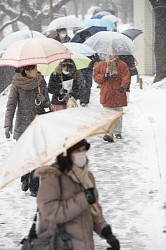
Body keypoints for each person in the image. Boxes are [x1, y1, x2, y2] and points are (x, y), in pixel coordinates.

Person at [35, 139, 120, 250]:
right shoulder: (52, 177)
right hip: (59, 244)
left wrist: (105, 231)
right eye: (77, 151)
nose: (82, 154)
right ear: (67, 153)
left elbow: (94, 210)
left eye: (84, 150)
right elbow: (51, 212)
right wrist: (84, 199)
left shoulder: (87, 177)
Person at [4, 65, 50, 196]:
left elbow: (47, 103)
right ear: (26, 71)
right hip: (22, 125)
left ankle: (35, 187)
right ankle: (24, 177)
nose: (37, 70)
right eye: (34, 68)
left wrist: (43, 99)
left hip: (38, 123)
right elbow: (11, 106)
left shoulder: (40, 81)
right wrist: (8, 124)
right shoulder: (16, 84)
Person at [93, 54, 130, 142]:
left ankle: (117, 131)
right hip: (107, 92)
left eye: (113, 53)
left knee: (118, 112)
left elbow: (126, 76)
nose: (111, 55)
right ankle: (109, 133)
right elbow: (96, 77)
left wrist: (123, 86)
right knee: (107, 113)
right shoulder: (102, 65)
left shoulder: (122, 64)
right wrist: (103, 77)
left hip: (118, 92)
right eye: (109, 53)